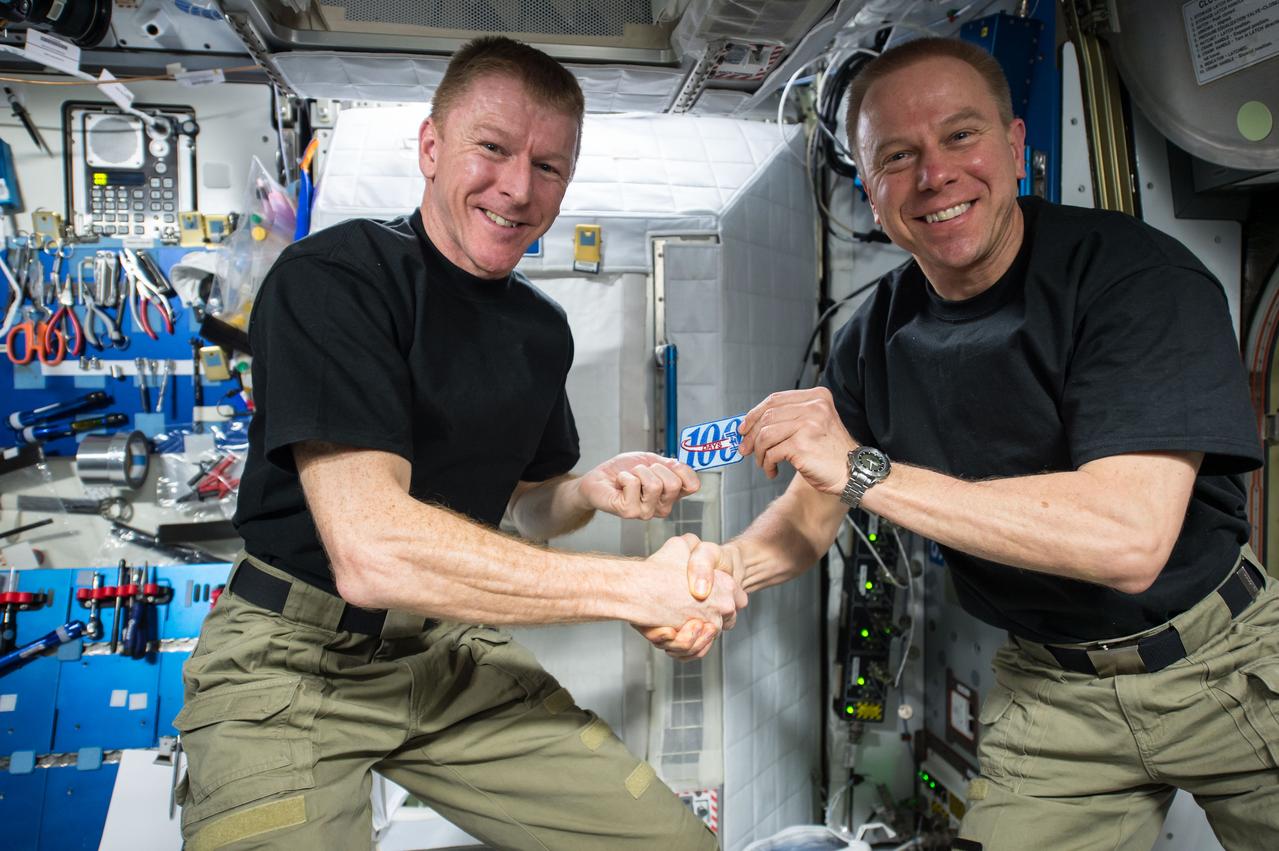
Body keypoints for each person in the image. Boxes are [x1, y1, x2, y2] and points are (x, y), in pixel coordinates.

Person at [667, 36, 1276, 850]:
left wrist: (860, 469)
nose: (934, 174)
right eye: (896, 155)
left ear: (1015, 146)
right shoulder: (870, 338)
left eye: (961, 136)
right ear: (870, 191)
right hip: (1053, 690)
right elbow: (810, 516)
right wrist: (715, 573)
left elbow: (1127, 540)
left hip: (1223, 660)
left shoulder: (1133, 281)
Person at [175, 36, 742, 851]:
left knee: (674, 843)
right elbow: (374, 552)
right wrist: (636, 590)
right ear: (432, 147)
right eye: (493, 148)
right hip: (289, 661)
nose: (518, 188)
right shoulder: (336, 280)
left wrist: (586, 490)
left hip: (441, 646)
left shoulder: (539, 331)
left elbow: (530, 507)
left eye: (549, 166)